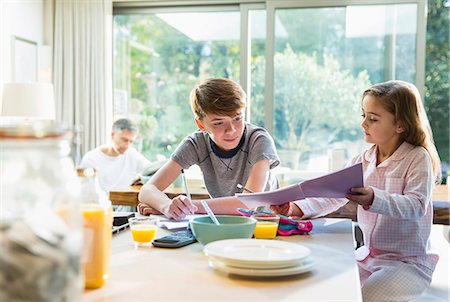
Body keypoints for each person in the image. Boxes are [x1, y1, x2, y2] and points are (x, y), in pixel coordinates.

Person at [271, 80, 442, 302]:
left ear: (400, 124)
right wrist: (295, 208)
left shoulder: (417, 157)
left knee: (366, 298)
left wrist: (374, 197)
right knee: (326, 290)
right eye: (363, 115)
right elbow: (331, 196)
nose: (363, 124)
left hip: (407, 263)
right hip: (369, 258)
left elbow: (416, 206)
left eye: (373, 118)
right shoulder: (365, 159)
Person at [138, 78, 280, 220]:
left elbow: (248, 204)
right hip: (224, 224)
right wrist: (167, 207)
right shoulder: (196, 143)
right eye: (218, 123)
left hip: (266, 227)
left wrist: (187, 208)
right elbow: (146, 190)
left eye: (237, 118)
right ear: (200, 124)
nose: (231, 130)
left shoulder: (259, 140)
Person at [80, 118, 150, 196]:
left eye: (131, 141)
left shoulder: (132, 154)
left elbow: (151, 170)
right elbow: (86, 192)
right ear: (112, 135)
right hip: (102, 204)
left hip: (125, 203)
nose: (127, 145)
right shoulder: (91, 159)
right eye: (124, 140)